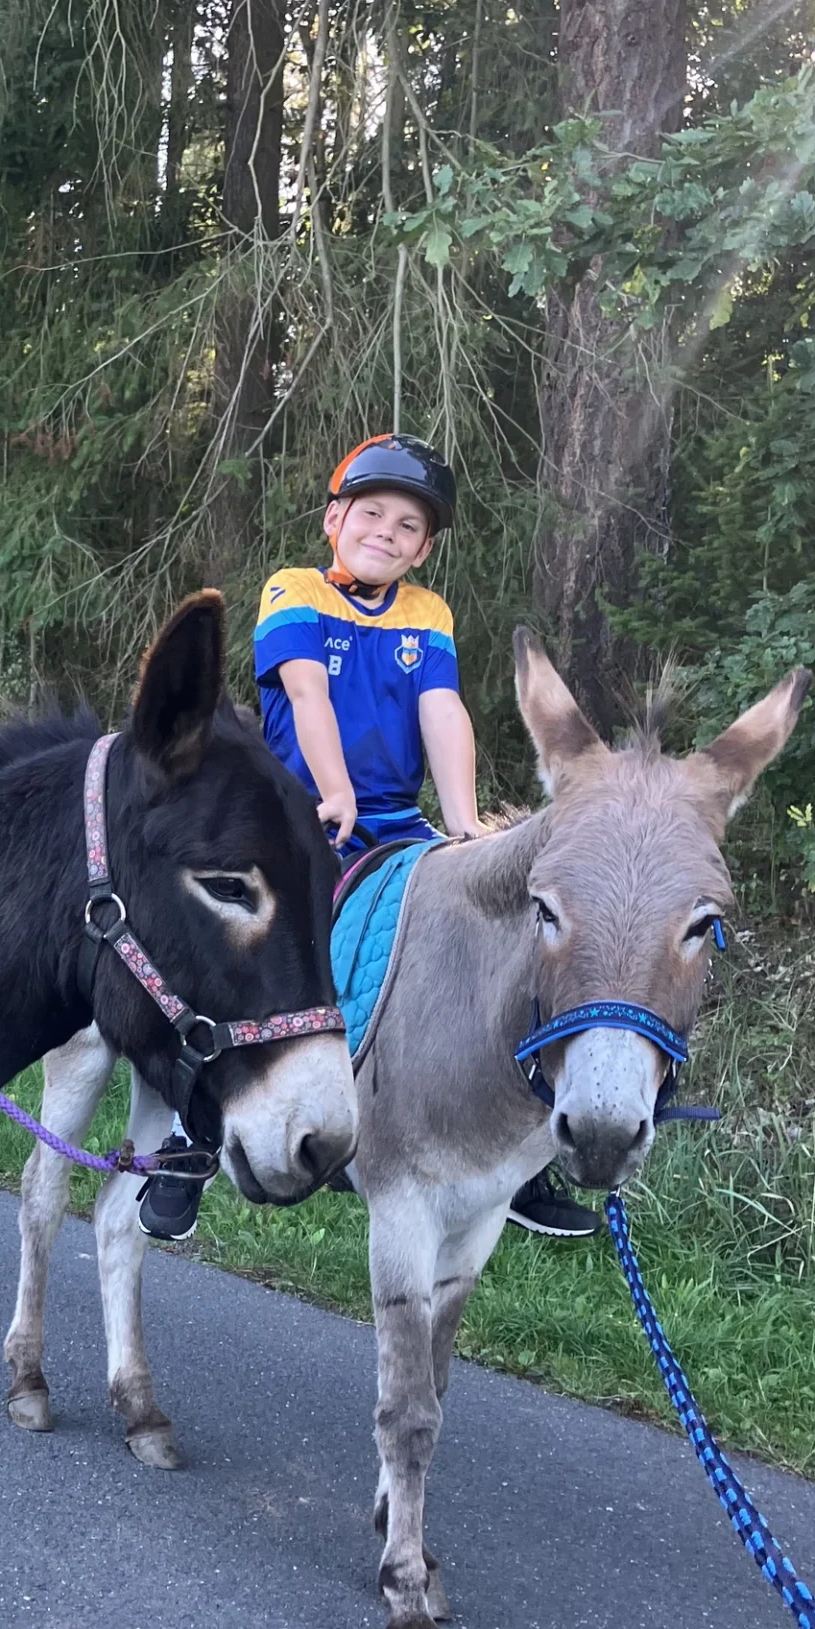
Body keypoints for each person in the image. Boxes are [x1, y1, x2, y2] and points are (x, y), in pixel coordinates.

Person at [211, 433, 593, 1240]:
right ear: (333, 519)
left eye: (408, 526)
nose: (387, 531)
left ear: (423, 548)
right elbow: (307, 692)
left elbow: (441, 712)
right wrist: (336, 788)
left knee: (492, 930)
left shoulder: (426, 614)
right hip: (299, 809)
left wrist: (462, 819)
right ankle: (192, 1129)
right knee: (263, 944)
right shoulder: (295, 592)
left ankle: (519, 1152)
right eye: (371, 513)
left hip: (392, 819)